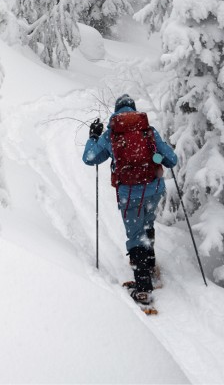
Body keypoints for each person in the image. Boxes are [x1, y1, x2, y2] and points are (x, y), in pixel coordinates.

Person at [82, 93, 177, 305]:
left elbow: (89, 159)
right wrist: (158, 155)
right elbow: (172, 159)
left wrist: (93, 138)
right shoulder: (148, 131)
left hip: (129, 194)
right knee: (147, 223)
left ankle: (143, 288)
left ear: (116, 111)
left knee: (135, 234)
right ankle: (149, 264)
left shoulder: (111, 135)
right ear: (134, 111)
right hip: (154, 189)